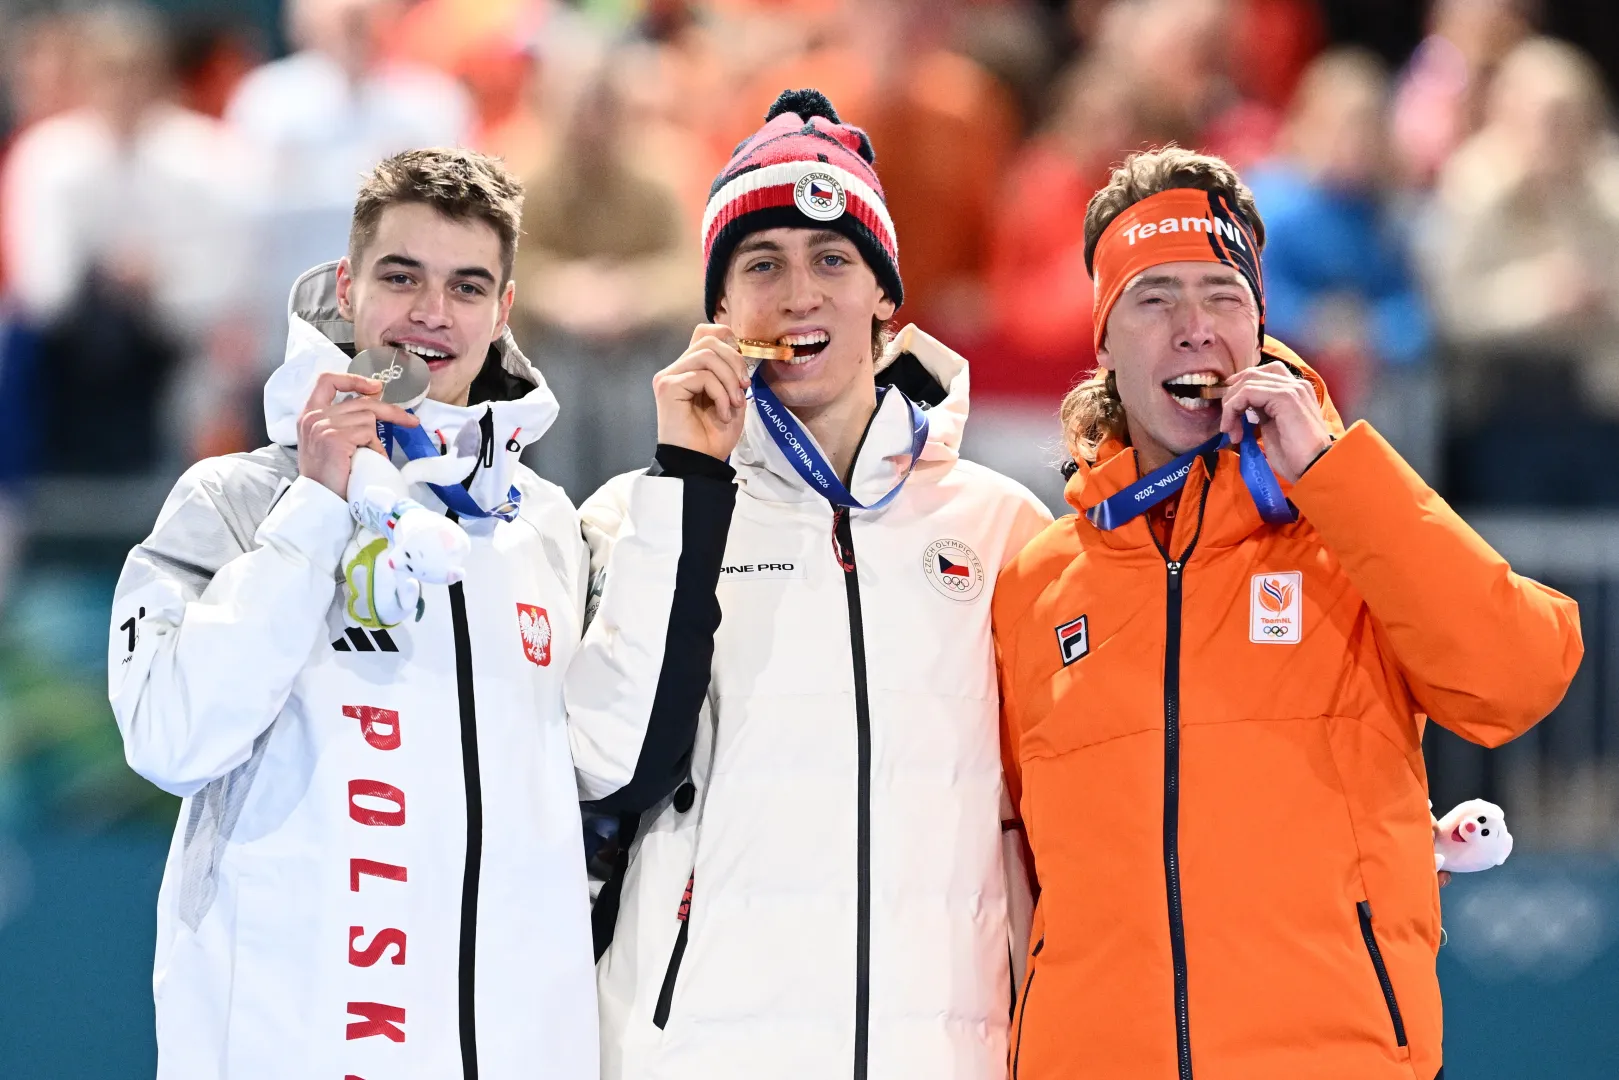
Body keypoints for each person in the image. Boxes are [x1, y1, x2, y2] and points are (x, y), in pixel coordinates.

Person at [993, 146, 1583, 1080]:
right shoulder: (1035, 584)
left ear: (1260, 325)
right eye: (1153, 299)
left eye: (1222, 295)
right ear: (1102, 340)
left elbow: (1517, 677)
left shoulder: (1348, 524)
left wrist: (1335, 473)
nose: (1194, 328)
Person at [106, 148, 691, 1080]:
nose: (431, 313)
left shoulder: (541, 526)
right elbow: (172, 739)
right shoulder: (235, 500)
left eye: (467, 286)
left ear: (503, 311)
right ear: (346, 286)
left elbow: (599, 776)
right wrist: (315, 511)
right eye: (400, 276)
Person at [580, 88, 1052, 1079]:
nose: (800, 294)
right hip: (695, 1054)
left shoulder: (1002, 526)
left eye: (832, 260)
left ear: (885, 295)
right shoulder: (634, 515)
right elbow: (606, 767)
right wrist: (690, 487)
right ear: (718, 308)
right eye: (762, 265)